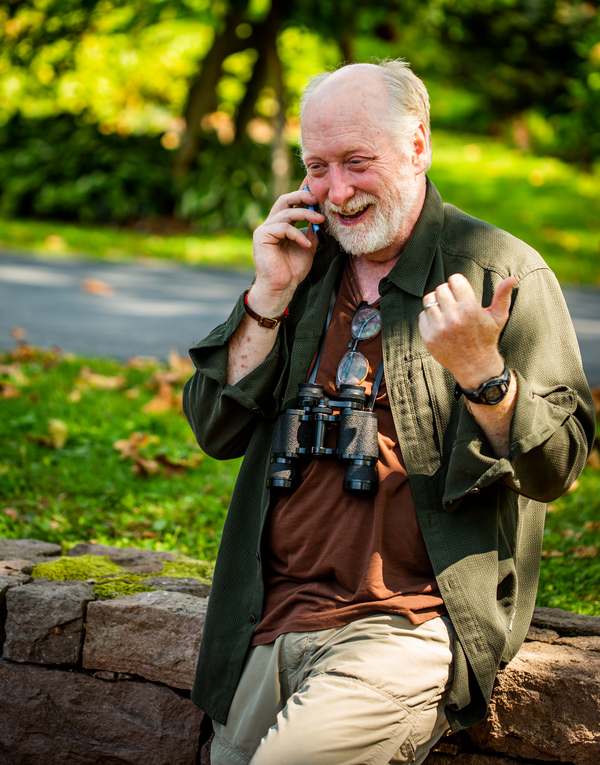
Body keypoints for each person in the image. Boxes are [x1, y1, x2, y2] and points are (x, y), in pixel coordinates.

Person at [183, 59, 595, 765]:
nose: (336, 192)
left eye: (356, 162)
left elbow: (556, 468)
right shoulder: (303, 267)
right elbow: (214, 429)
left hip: (401, 627)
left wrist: (482, 373)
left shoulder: (500, 271)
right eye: (317, 167)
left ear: (418, 145)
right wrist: (268, 296)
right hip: (267, 623)